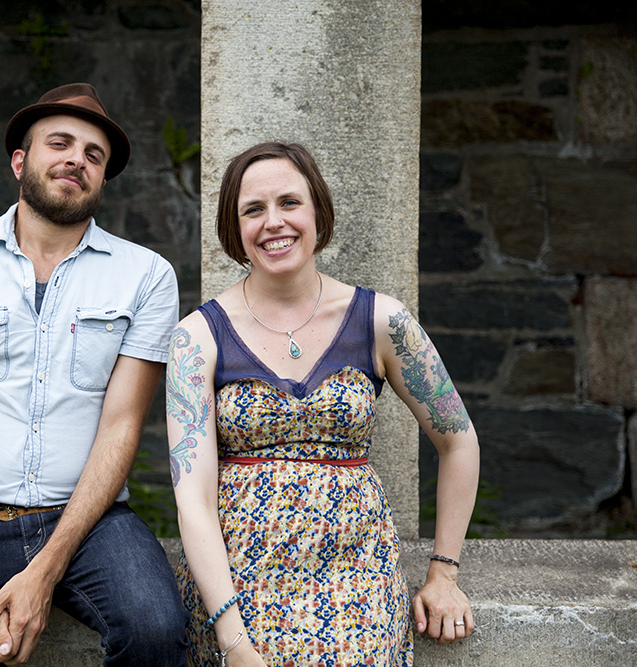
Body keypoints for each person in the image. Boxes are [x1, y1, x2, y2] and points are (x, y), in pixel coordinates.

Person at [0, 83, 188, 667]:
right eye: (60, 142)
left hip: (91, 524)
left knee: (158, 630)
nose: (76, 159)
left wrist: (45, 571)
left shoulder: (146, 277)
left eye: (93, 154)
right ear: (20, 160)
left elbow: (121, 429)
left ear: (102, 178)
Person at [166, 142, 480, 666]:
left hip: (357, 577)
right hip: (240, 585)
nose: (274, 222)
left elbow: (459, 440)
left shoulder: (382, 321)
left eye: (289, 202)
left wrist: (443, 572)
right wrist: (233, 640)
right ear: (233, 227)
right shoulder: (197, 339)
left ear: (317, 211)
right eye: (253, 209)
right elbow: (192, 500)